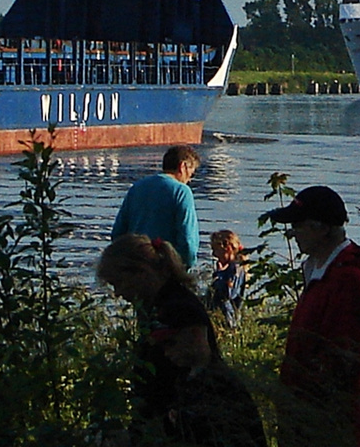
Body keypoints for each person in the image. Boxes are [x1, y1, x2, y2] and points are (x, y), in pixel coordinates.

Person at [97, 234, 267, 447]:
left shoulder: (177, 310)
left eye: (119, 283)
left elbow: (171, 381)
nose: (118, 292)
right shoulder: (165, 304)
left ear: (142, 272)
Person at [262, 185, 360, 447]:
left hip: (327, 420)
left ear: (322, 228)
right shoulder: (320, 269)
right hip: (304, 412)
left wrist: (307, 406)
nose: (292, 233)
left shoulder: (347, 278)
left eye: (298, 225)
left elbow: (343, 358)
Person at [112, 145, 201, 267]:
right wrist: (187, 267)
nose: (189, 180)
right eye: (191, 174)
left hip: (135, 266)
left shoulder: (137, 187)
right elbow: (187, 240)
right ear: (183, 166)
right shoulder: (181, 191)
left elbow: (118, 233)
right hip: (165, 267)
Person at [206, 229, 246, 327]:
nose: (213, 254)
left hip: (228, 320)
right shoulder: (229, 268)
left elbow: (228, 294)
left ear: (227, 249)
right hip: (223, 318)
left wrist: (219, 274)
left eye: (215, 250)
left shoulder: (236, 269)